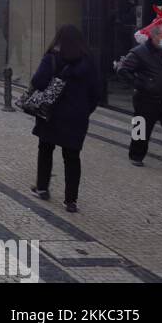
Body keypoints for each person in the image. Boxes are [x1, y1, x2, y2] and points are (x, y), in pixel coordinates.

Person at [29, 25, 100, 213]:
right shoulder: (89, 62)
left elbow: (37, 82)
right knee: (72, 157)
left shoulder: (52, 57)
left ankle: (42, 188)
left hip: (50, 114)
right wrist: (85, 111)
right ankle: (71, 201)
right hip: (77, 117)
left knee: (45, 149)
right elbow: (97, 93)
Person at [117, 22, 162, 174]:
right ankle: (136, 155)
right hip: (146, 98)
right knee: (141, 128)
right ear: (154, 37)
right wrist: (142, 84)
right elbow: (123, 70)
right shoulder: (139, 52)